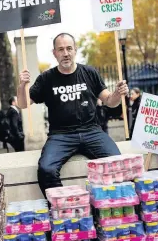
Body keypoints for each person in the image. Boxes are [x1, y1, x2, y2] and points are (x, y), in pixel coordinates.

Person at [17, 33, 129, 197]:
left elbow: (109, 101)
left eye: (69, 48)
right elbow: (22, 103)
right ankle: (65, 206)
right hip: (61, 135)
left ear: (75, 50)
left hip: (92, 131)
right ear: (54, 53)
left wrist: (118, 94)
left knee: (117, 163)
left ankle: (106, 204)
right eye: (61, 49)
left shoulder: (89, 73)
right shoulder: (46, 78)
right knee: (46, 169)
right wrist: (22, 85)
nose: (66, 53)